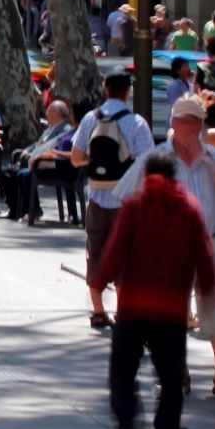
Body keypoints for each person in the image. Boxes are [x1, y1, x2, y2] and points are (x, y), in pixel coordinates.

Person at [98, 152, 215, 429]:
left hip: (133, 306)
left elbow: (116, 247)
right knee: (171, 378)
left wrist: (101, 278)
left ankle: (126, 422)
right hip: (171, 310)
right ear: (174, 177)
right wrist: (207, 289)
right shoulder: (190, 208)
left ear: (147, 174)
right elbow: (204, 255)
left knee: (122, 369)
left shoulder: (135, 205)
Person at [72, 71, 155, 329]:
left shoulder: (90, 118)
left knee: (94, 251)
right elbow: (149, 163)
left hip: (96, 196)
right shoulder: (137, 123)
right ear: (128, 91)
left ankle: (98, 311)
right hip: (126, 202)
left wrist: (94, 163)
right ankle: (122, 311)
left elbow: (76, 157)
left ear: (105, 88)